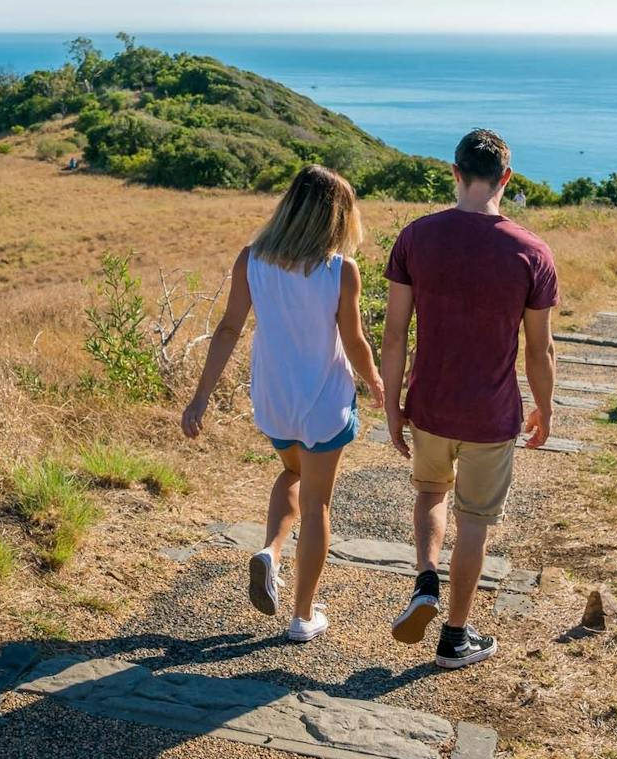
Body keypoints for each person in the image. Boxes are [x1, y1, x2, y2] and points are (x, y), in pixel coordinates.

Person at [181, 165, 385, 642]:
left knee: (292, 473)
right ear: (336, 217)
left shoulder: (252, 260)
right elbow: (353, 341)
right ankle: (302, 616)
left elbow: (228, 329)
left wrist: (200, 398)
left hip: (273, 400)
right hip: (323, 402)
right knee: (317, 506)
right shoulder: (340, 270)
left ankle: (270, 552)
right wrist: (375, 379)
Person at [381, 129, 557, 669]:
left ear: (454, 173)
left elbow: (394, 335)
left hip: (430, 404)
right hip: (491, 414)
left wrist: (392, 407)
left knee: (431, 490)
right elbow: (539, 348)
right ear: (506, 177)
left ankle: (425, 582)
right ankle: (456, 636)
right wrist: (545, 408)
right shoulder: (532, 252)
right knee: (474, 520)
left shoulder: (416, 237)